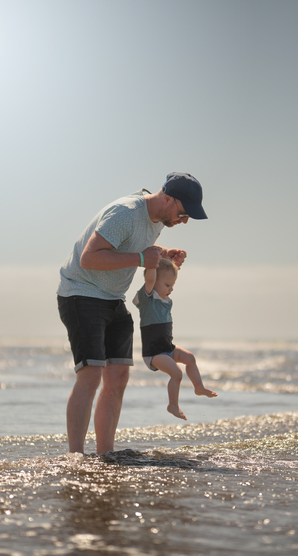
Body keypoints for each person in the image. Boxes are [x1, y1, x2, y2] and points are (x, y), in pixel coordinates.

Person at [57, 172, 208, 455]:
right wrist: (140, 260)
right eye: (184, 212)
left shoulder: (156, 219)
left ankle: (106, 456)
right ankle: (75, 458)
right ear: (167, 198)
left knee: (118, 378)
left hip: (114, 298)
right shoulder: (126, 213)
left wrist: (164, 254)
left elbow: (136, 245)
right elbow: (88, 258)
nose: (184, 220)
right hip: (81, 292)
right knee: (90, 375)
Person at [133, 258, 217, 421]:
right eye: (167, 285)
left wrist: (171, 263)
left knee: (190, 358)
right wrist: (152, 263)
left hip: (168, 348)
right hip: (154, 353)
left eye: (172, 285)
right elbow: (150, 278)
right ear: (154, 282)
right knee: (177, 373)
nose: (171, 289)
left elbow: (162, 274)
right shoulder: (147, 299)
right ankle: (172, 405)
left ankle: (199, 387)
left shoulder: (166, 300)